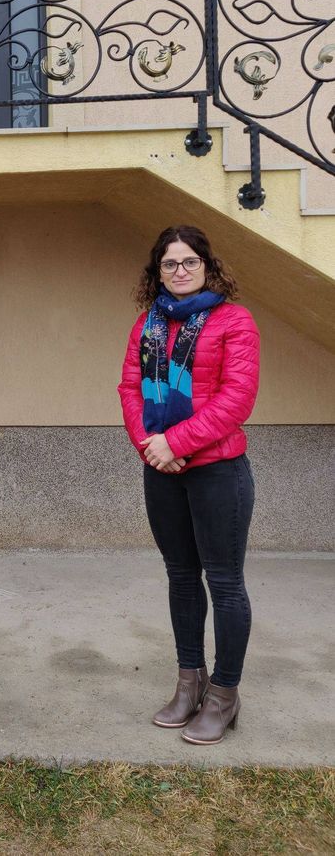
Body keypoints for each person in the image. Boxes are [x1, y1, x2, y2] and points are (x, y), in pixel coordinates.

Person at [118, 225, 259, 745]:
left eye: (190, 261)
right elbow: (129, 387)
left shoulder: (234, 321)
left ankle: (223, 694)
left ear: (207, 265)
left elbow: (236, 398)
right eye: (169, 263)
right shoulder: (147, 324)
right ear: (157, 272)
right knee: (181, 576)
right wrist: (151, 447)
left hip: (218, 471)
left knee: (224, 583)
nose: (180, 270)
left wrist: (174, 442)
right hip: (162, 471)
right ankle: (189, 681)